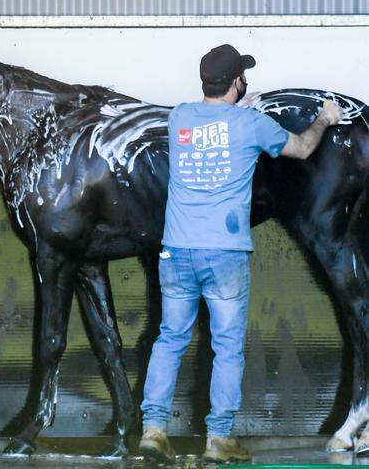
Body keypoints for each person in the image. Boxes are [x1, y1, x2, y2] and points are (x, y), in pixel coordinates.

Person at [138, 44, 343, 463]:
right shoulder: (251, 125)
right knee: (227, 345)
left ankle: (153, 430)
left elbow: (212, 127)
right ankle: (219, 438)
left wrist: (238, 110)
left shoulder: (180, 116)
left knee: (169, 339)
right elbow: (303, 147)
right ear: (236, 81)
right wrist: (324, 118)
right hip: (224, 252)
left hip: (176, 250)